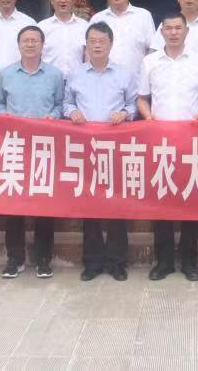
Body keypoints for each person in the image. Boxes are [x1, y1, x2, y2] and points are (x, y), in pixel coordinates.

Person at [137, 14, 198, 282]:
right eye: (168, 28)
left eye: (178, 28)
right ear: (161, 32)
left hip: (190, 142)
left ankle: (189, 262)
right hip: (160, 142)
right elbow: (142, 98)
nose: (173, 32)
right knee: (162, 202)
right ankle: (164, 262)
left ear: (186, 31)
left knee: (190, 200)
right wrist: (148, 118)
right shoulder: (149, 62)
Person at [64, 23, 136, 282]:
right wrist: (72, 111)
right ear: (86, 45)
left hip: (115, 147)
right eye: (92, 40)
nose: (97, 45)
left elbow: (134, 105)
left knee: (117, 205)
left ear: (111, 44)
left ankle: (117, 262)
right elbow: (66, 102)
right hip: (85, 147)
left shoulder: (124, 74)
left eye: (102, 40)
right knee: (89, 204)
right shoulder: (75, 74)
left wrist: (124, 113)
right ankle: (92, 262)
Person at [0, 25, 64, 280]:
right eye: (26, 40)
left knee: (44, 204)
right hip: (15, 146)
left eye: (35, 40)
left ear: (43, 45)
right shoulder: (6, 73)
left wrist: (53, 116)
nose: (30, 44)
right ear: (19, 44)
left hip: (44, 147)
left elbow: (60, 105)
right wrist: (4, 115)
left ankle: (43, 259)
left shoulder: (55, 74)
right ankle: (15, 259)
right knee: (14, 204)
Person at [89, 0, 156, 80]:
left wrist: (147, 77)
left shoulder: (143, 16)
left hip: (136, 81)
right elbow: (89, 51)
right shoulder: (97, 18)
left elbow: (152, 50)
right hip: (104, 81)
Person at [38, 0, 89, 79]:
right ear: (51, 0)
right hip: (48, 80)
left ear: (74, 0)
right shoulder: (41, 27)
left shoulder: (84, 26)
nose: (63, 0)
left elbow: (88, 56)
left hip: (77, 80)